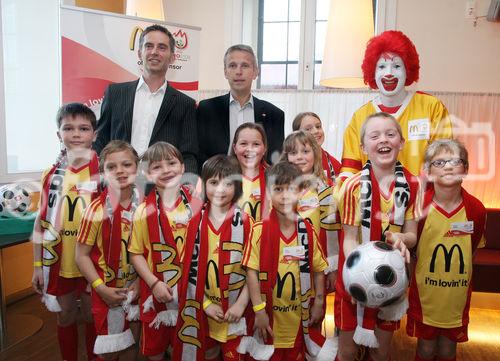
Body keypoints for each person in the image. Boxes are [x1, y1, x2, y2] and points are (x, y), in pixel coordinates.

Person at [335, 112, 421, 361]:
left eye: (390, 134)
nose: (383, 139)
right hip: (354, 281)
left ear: (401, 142)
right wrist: (356, 276)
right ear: (363, 147)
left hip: (391, 281)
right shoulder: (352, 186)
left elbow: (412, 236)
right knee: (347, 351)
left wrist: (400, 239)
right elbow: (350, 238)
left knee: (381, 352)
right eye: (375, 135)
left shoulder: (413, 185)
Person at [242, 161, 333, 361]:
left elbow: (319, 270)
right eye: (278, 189)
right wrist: (258, 311)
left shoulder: (307, 231)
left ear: (301, 192)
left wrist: (318, 302)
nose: (284, 196)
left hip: (298, 321)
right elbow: (251, 273)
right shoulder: (258, 230)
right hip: (269, 321)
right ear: (267, 193)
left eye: (291, 189)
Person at [31, 102, 100, 361]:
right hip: (60, 259)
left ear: (94, 134)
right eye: (68, 128)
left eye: (83, 128)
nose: (76, 134)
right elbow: (40, 222)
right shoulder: (51, 174)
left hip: (93, 259)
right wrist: (38, 265)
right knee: (66, 314)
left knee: (93, 314)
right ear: (58, 134)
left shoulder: (104, 173)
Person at [407, 140, 486, 361]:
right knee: (426, 348)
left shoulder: (476, 209)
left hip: (456, 298)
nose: (448, 167)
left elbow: (472, 252)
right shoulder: (420, 207)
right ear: (427, 171)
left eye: (455, 161)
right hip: (426, 296)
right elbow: (414, 252)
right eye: (439, 162)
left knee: (448, 350)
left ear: (466, 168)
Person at [341, 30, 452, 179]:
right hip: (372, 200)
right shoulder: (359, 117)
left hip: (421, 199)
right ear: (372, 72)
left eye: (397, 66)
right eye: (381, 67)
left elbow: (444, 165)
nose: (389, 73)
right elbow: (350, 171)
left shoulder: (432, 108)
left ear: (408, 70)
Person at [128, 142, 202, 360]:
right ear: (148, 174)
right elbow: (135, 253)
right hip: (156, 290)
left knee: (188, 345)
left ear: (182, 167)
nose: (167, 170)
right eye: (157, 167)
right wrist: (153, 282)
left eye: (171, 163)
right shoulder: (143, 210)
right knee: (156, 351)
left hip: (191, 291)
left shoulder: (197, 204)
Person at [94, 24, 198, 174]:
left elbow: (189, 154)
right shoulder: (115, 93)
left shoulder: (185, 104)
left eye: (162, 47)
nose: (154, 52)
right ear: (139, 53)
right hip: (117, 183)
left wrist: (188, 187)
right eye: (149, 46)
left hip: (162, 187)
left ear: (173, 57)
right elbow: (100, 140)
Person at [76, 140, 142, 360]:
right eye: (111, 167)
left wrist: (142, 282)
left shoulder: (147, 206)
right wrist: (100, 288)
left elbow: (152, 251)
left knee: (132, 344)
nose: (120, 171)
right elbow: (81, 255)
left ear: (137, 167)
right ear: (103, 172)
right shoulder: (94, 210)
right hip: (106, 291)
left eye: (126, 164)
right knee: (110, 350)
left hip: (137, 288)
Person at [184, 155, 253, 361]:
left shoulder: (247, 222)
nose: (220, 189)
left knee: (235, 355)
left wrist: (241, 304)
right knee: (208, 353)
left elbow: (254, 270)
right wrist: (205, 304)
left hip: (237, 310)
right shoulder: (193, 222)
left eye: (228, 183)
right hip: (204, 309)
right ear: (204, 185)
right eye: (213, 183)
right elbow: (188, 268)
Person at [197, 44, 284, 170]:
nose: (238, 72)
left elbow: (276, 161)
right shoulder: (206, 109)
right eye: (232, 66)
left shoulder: (274, 115)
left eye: (245, 65)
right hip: (218, 184)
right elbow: (199, 155)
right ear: (225, 72)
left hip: (260, 186)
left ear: (255, 72)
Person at [281, 131, 340, 292]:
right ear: (286, 158)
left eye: (305, 151)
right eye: (293, 153)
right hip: (284, 264)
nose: (299, 157)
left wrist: (332, 268)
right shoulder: (278, 190)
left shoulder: (326, 190)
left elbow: (332, 234)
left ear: (315, 153)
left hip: (316, 267)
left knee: (314, 310)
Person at [231, 122, 268, 222]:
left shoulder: (276, 179)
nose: (250, 149)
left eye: (256, 144)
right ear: (235, 148)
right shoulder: (224, 179)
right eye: (243, 144)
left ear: (264, 149)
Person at [292, 112, 341, 186]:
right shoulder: (291, 163)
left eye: (318, 127)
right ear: (297, 134)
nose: (316, 131)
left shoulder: (333, 163)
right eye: (308, 129)